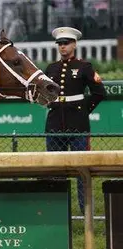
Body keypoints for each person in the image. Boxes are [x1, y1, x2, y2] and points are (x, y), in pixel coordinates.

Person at [44, 27, 106, 214]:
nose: (62, 47)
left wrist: (83, 109)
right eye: (60, 44)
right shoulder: (51, 68)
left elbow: (99, 93)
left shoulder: (84, 67)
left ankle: (85, 210)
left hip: (78, 125)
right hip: (55, 123)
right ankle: (57, 211)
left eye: (66, 43)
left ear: (74, 44)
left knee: (82, 171)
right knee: (55, 171)